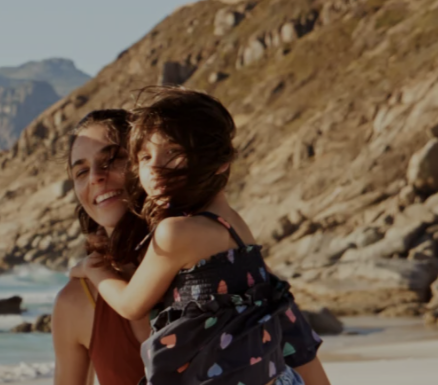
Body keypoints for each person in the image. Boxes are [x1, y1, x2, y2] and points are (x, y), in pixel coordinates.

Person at [71, 87, 330, 385]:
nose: (154, 167)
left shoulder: (174, 233)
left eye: (173, 153)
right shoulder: (235, 224)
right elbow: (279, 309)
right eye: (144, 156)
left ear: (220, 161)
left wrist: (95, 269)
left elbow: (131, 305)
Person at [53, 110, 150, 385]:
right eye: (81, 171)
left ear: (147, 161)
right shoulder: (76, 301)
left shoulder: (206, 258)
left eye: (111, 159)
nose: (95, 176)